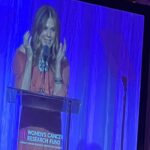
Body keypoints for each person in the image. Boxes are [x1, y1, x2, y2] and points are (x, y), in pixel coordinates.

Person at [13, 5, 69, 149]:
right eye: (45, 28)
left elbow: (60, 99)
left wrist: (57, 65)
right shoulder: (23, 54)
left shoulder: (62, 61)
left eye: (52, 29)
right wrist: (30, 58)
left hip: (52, 133)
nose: (49, 34)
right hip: (30, 129)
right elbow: (22, 92)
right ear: (38, 28)